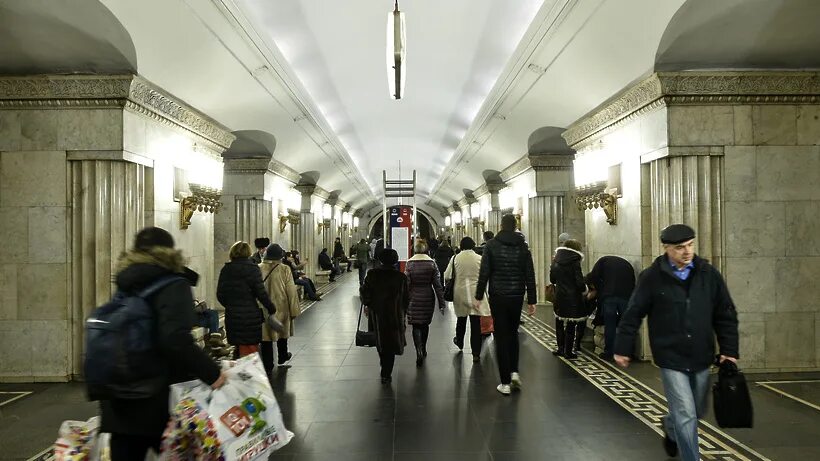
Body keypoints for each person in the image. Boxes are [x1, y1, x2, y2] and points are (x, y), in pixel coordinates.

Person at [614, 224, 739, 461]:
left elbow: (725, 313)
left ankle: (671, 427)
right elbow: (633, 312)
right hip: (670, 356)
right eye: (680, 247)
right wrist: (622, 346)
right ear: (667, 249)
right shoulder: (652, 277)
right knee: (685, 413)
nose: (687, 252)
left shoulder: (707, 274)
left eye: (690, 245)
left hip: (702, 354)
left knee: (696, 411)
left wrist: (729, 350)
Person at [100, 227, 226, 460]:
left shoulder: (125, 283)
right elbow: (175, 339)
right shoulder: (173, 284)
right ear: (169, 252)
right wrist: (212, 372)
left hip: (117, 394)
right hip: (156, 396)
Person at [474, 214, 537, 396]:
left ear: (501, 225)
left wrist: (479, 296)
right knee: (513, 333)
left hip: (498, 296)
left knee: (500, 336)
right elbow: (530, 274)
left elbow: (484, 272)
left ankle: (505, 382)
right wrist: (532, 300)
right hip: (517, 295)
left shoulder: (492, 245)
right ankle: (515, 372)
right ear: (516, 226)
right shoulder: (523, 247)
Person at [217, 241, 277, 359]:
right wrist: (271, 308)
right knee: (250, 349)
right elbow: (261, 293)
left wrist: (231, 305)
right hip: (251, 315)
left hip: (232, 315)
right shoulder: (253, 269)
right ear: (248, 253)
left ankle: (239, 371)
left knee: (238, 346)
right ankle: (249, 374)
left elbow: (220, 294)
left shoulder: (226, 269)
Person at [360, 248, 409, 384]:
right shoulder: (401, 278)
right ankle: (387, 372)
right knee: (392, 343)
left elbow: (365, 293)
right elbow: (406, 298)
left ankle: (384, 366)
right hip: (394, 315)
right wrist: (403, 311)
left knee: (380, 340)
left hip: (377, 314)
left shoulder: (372, 274)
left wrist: (367, 304)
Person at [444, 237, 490, 362]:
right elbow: (486, 275)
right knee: (475, 323)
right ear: (473, 245)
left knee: (461, 319)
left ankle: (459, 341)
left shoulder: (455, 258)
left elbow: (447, 275)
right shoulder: (480, 258)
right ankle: (475, 353)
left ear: (461, 245)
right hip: (476, 293)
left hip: (460, 292)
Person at [260, 244, 301, 371]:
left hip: (263, 306)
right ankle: (282, 355)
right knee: (282, 332)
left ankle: (268, 363)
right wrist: (294, 310)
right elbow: (291, 290)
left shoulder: (258, 268)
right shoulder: (284, 269)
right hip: (281, 306)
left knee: (265, 336)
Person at [405, 239, 446, 367]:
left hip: (413, 297)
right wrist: (441, 303)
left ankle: (418, 351)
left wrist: (403, 301)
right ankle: (424, 348)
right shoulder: (432, 264)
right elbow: (438, 285)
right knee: (425, 324)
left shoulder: (409, 263)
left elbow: (406, 283)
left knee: (416, 325)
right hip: (428, 296)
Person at [586, 255, 635, 360]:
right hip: (625, 296)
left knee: (610, 324)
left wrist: (597, 291)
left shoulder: (601, 263)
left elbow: (593, 277)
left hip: (609, 296)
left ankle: (609, 353)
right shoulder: (623, 263)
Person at [549, 239, 588, 359]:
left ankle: (560, 349)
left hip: (559, 295)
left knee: (559, 322)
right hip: (572, 297)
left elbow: (552, 279)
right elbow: (579, 282)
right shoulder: (575, 261)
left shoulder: (556, 260)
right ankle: (568, 351)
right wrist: (585, 290)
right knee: (571, 324)